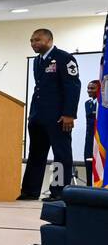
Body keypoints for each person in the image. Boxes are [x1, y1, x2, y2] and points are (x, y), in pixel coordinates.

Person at [20, 28, 81, 201]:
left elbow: (72, 87)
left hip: (58, 117)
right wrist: (33, 114)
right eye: (31, 41)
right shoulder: (37, 61)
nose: (33, 43)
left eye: (37, 40)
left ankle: (59, 192)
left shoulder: (64, 58)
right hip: (38, 116)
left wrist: (69, 114)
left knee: (60, 155)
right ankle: (30, 191)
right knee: (36, 153)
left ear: (48, 40)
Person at [85, 79, 101, 184]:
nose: (89, 90)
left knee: (99, 165)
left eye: (92, 88)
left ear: (99, 89)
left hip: (99, 139)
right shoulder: (87, 103)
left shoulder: (103, 105)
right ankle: (88, 187)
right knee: (88, 162)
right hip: (89, 138)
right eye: (88, 88)